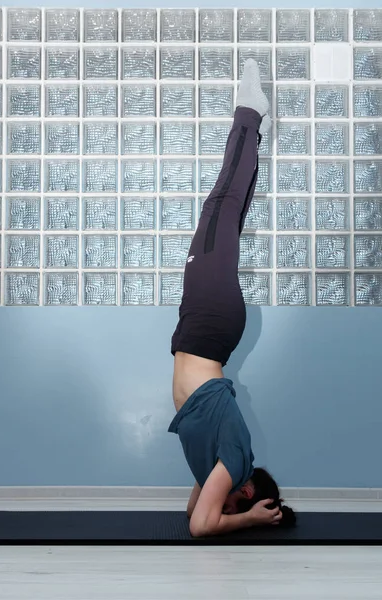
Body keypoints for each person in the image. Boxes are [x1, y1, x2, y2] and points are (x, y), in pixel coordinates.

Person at [168, 59, 296, 538]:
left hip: (200, 329)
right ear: (248, 491)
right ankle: (250, 113)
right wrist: (254, 517)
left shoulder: (216, 467)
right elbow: (204, 527)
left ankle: (252, 126)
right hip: (210, 325)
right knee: (220, 206)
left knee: (228, 213)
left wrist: (231, 506)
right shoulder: (237, 456)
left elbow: (194, 515)